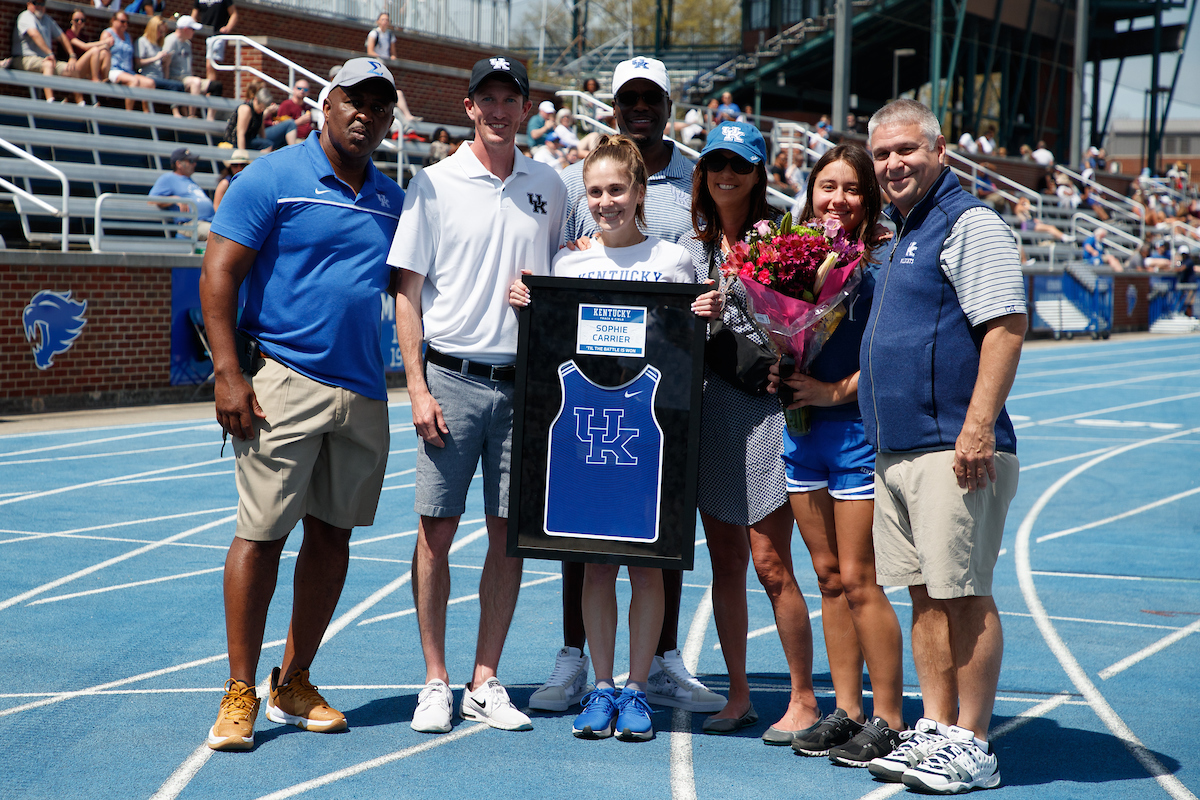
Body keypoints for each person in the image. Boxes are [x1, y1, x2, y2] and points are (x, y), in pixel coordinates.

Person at [199, 58, 403, 751]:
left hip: (364, 390)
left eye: (379, 105)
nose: (366, 114)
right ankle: (239, 690)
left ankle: (294, 679)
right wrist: (228, 373)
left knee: (333, 536)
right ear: (326, 103)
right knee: (261, 534)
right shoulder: (270, 177)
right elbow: (219, 272)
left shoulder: (392, 199)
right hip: (284, 381)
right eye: (354, 100)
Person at [529, 56, 725, 719]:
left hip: (650, 430)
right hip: (588, 430)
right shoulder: (568, 262)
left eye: (618, 190)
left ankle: (639, 686)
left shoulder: (673, 261)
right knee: (593, 562)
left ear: (641, 192)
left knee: (648, 562)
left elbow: (691, 330)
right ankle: (601, 682)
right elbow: (553, 331)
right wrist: (529, 301)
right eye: (597, 193)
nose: (607, 201)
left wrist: (707, 311)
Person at [389, 55, 567, 735]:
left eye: (509, 99)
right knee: (435, 532)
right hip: (450, 380)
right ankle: (435, 679)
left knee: (508, 537)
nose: (498, 111)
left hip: (524, 387)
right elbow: (408, 294)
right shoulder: (432, 184)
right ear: (468, 107)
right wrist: (416, 387)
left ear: (525, 109)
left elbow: (567, 269)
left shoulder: (548, 184)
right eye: (486, 99)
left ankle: (484, 680)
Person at [861, 99, 1025, 793]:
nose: (893, 163)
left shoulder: (968, 223)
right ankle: (936, 725)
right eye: (881, 154)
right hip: (898, 450)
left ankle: (974, 742)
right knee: (925, 596)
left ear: (940, 153)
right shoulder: (899, 232)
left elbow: (1006, 326)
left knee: (964, 594)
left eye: (906, 150)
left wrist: (977, 427)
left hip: (952, 446)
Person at [770, 143, 906, 764]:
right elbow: (782, 332)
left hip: (854, 435)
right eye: (828, 186)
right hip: (801, 437)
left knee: (859, 579)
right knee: (827, 578)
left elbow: (886, 359)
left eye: (852, 188)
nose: (838, 199)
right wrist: (781, 365)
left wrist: (830, 392)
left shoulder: (880, 266)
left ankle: (889, 718)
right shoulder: (790, 257)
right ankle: (846, 711)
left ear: (868, 199)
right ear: (810, 192)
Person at [687, 120, 822, 738]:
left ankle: (804, 699)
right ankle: (738, 694)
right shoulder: (690, 247)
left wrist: (779, 349)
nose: (727, 175)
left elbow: (808, 327)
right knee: (725, 563)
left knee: (771, 563)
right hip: (711, 410)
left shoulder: (783, 242)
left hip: (765, 413)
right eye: (717, 163)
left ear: (758, 174)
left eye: (739, 165)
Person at [11, 0, 81, 104]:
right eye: (36, 3)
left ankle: (81, 103)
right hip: (24, 59)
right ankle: (50, 101)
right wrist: (49, 53)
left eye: (42, 3)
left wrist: (72, 56)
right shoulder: (26, 16)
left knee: (72, 69)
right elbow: (34, 34)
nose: (39, 6)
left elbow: (62, 37)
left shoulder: (47, 19)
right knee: (48, 64)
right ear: (28, 4)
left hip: (45, 60)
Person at [149, 146, 215, 239]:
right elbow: (151, 200)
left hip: (209, 224)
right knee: (219, 235)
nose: (194, 164)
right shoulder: (168, 178)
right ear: (179, 164)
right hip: (191, 225)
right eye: (190, 161)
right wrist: (174, 199)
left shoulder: (190, 181)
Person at [162, 15, 220, 119]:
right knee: (196, 82)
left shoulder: (188, 44)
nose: (194, 32)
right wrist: (166, 80)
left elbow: (189, 66)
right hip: (176, 78)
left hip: (188, 78)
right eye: (192, 29)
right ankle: (191, 115)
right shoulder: (171, 41)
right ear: (185, 29)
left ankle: (210, 118)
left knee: (216, 86)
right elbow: (165, 64)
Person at [101, 11, 156, 111]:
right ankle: (129, 113)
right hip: (114, 70)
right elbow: (102, 54)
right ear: (113, 20)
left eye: (127, 22)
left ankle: (147, 114)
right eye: (122, 21)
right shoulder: (107, 34)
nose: (125, 24)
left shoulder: (128, 37)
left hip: (128, 72)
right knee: (134, 81)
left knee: (150, 83)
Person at [225, 80, 294, 152]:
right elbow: (240, 133)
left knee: (276, 143)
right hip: (235, 142)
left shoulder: (259, 112)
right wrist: (242, 154)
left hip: (250, 139)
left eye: (263, 108)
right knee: (268, 145)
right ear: (255, 99)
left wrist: (265, 142)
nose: (261, 110)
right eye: (260, 107)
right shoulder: (246, 109)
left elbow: (262, 132)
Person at [63, 9, 111, 89]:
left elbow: (88, 51)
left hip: (82, 69)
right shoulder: (68, 33)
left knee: (104, 53)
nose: (80, 22)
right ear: (71, 21)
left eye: (82, 20)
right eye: (77, 20)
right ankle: (95, 79)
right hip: (70, 69)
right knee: (95, 50)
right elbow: (84, 46)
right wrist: (104, 42)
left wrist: (104, 47)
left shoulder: (84, 37)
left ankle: (105, 79)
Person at [192, 0, 237, 86]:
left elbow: (234, 14)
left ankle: (211, 90)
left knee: (210, 65)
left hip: (217, 35)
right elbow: (194, 15)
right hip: (203, 34)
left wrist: (227, 28)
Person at [138, 16, 184, 93]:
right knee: (175, 86)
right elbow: (138, 63)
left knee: (180, 86)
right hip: (148, 77)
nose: (161, 35)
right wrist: (156, 58)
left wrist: (166, 63)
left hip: (160, 78)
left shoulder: (159, 45)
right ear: (153, 29)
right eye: (160, 31)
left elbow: (165, 75)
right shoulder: (142, 41)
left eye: (163, 32)